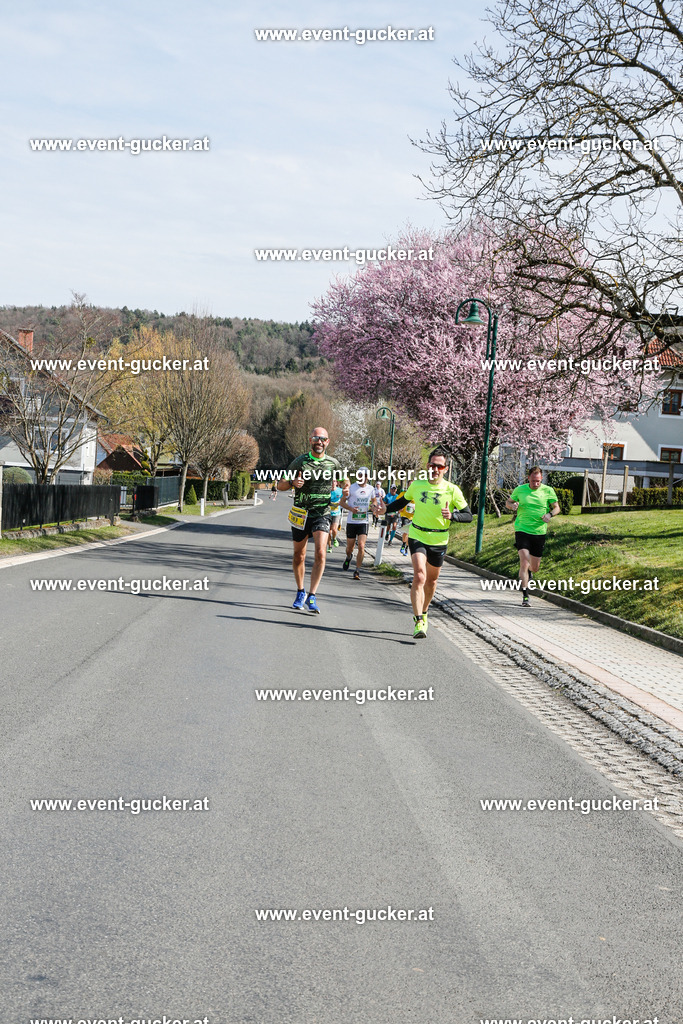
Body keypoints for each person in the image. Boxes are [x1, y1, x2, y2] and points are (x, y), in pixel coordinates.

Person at [381, 451, 472, 638]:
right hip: (417, 534)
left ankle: (424, 611)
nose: (435, 469)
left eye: (439, 466)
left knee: (431, 581)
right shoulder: (417, 485)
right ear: (427, 466)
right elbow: (401, 503)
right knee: (420, 576)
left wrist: (452, 516)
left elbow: (468, 515)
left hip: (439, 539)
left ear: (445, 469)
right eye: (432, 465)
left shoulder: (452, 490)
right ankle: (418, 620)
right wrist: (385, 509)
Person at [277, 428, 345, 613]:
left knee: (321, 553)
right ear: (310, 440)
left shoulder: (333, 463)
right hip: (301, 513)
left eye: (322, 439)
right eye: (316, 438)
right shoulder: (300, 462)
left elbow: (345, 483)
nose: (319, 442)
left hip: (322, 513)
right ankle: (301, 592)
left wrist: (343, 490)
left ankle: (312, 595)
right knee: (299, 555)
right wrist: (292, 483)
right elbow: (280, 484)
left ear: (328, 441)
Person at [505, 466, 560, 607]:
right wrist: (513, 506)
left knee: (534, 567)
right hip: (522, 530)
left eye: (538, 481)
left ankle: (530, 573)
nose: (536, 483)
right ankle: (525, 596)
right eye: (534, 480)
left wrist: (550, 514)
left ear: (541, 479)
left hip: (539, 532)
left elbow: (557, 507)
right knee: (524, 562)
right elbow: (508, 502)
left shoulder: (548, 490)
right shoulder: (520, 489)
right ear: (528, 478)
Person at [340, 468, 381, 580]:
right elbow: (342, 502)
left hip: (363, 522)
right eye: (360, 475)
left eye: (365, 476)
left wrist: (374, 507)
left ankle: (357, 570)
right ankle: (349, 557)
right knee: (350, 547)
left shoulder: (371, 489)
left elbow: (374, 501)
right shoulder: (351, 488)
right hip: (352, 521)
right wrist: (351, 508)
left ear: (368, 477)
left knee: (362, 546)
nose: (363, 477)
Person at [327, 482, 343, 551]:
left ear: (336, 483)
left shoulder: (340, 491)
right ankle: (329, 547)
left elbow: (344, 498)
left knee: (334, 529)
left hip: (336, 513)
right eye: (331, 482)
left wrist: (341, 502)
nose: (332, 483)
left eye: (334, 481)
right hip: (328, 513)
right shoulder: (327, 491)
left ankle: (334, 538)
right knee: (328, 532)